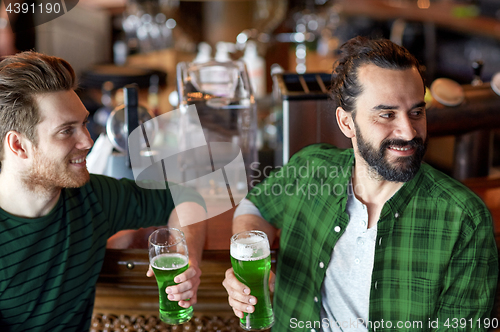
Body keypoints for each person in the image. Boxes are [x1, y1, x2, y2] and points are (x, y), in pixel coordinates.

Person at [223, 36, 498, 331]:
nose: (408, 132)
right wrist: (250, 263)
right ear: (346, 123)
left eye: (417, 112)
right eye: (387, 114)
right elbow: (256, 207)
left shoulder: (463, 219)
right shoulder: (310, 170)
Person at [0, 51, 207, 331]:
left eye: (84, 123)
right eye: (66, 131)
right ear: (18, 146)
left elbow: (186, 197)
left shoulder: (92, 198)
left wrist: (188, 257)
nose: (88, 140)